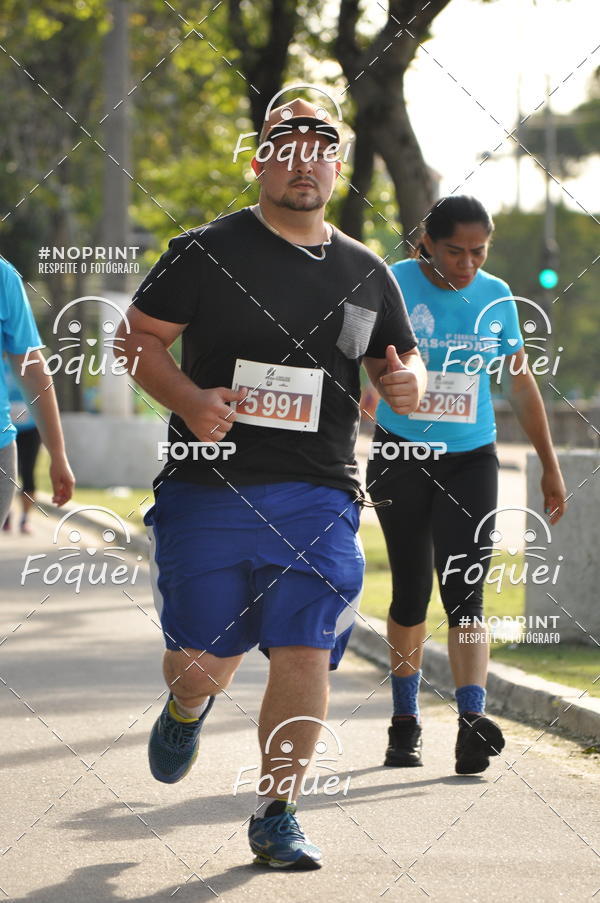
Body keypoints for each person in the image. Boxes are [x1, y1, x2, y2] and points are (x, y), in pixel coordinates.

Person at [116, 96, 426, 870]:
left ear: (337, 167)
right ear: (259, 162)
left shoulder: (366, 270)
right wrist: (190, 400)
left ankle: (278, 809)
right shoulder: (205, 250)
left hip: (318, 490)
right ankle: (188, 704)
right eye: (283, 146)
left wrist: (408, 381)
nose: (302, 160)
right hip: (207, 487)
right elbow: (138, 339)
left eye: (319, 147)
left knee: (305, 648)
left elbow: (399, 358)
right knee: (199, 664)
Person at [366, 195, 566, 775]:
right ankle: (405, 721)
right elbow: (361, 356)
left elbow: (521, 384)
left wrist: (548, 464)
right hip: (402, 455)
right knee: (408, 592)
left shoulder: (497, 295)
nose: (467, 263)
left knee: (466, 593)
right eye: (455, 250)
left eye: (479, 251)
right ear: (427, 240)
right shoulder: (390, 281)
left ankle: (470, 724)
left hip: (470, 458)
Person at [0, 258, 74, 525]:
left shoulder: (3, 275)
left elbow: (31, 369)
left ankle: (22, 520)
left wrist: (57, 453)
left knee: (28, 474)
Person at [2, 357, 42, 533]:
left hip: (30, 429)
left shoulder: (30, 364)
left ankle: (25, 519)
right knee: (7, 476)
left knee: (28, 474)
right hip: (5, 431)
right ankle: (7, 516)